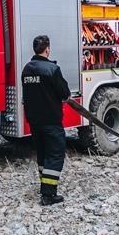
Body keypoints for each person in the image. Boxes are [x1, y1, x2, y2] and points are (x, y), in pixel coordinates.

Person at [21, 35, 71, 205]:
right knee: (55, 154)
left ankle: (45, 184)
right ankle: (48, 194)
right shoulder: (52, 69)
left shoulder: (27, 69)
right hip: (51, 120)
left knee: (42, 154)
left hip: (34, 121)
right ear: (47, 49)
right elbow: (64, 93)